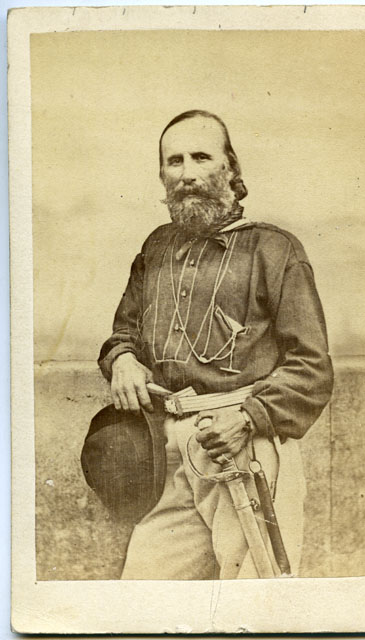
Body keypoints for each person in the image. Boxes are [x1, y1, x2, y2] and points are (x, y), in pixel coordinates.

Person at [98, 109, 334, 580]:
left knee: (256, 599)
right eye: (174, 161)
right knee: (144, 594)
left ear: (231, 167)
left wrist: (246, 419)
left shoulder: (275, 250)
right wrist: (122, 359)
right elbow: (124, 331)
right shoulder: (156, 249)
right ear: (162, 175)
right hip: (167, 449)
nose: (187, 173)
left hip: (242, 442)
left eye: (201, 157)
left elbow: (311, 367)